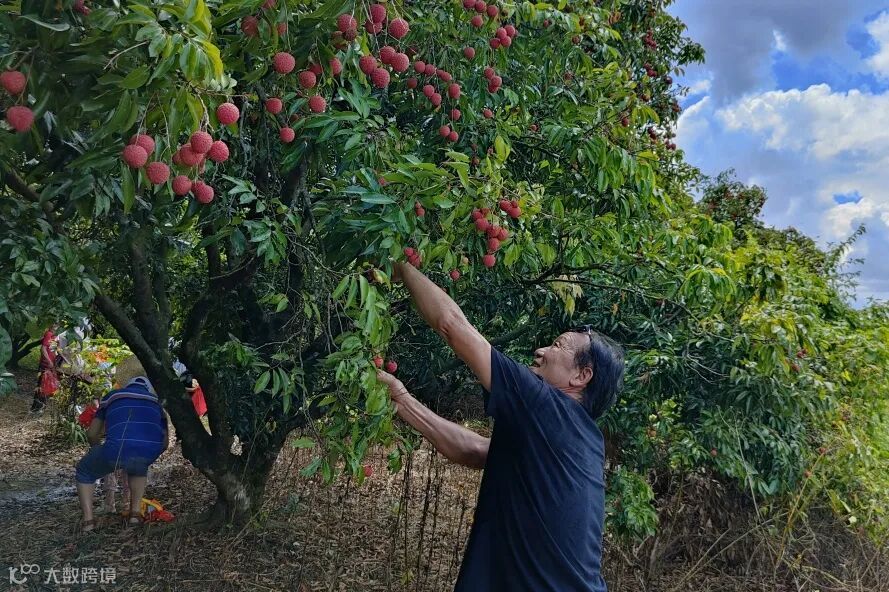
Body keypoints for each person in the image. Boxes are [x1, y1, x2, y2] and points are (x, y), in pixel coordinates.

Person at [375, 262, 625, 591]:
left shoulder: (547, 407)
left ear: (581, 376)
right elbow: (475, 450)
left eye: (558, 345)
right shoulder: (580, 438)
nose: (540, 351)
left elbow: (452, 325)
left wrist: (402, 267)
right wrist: (401, 400)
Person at [75, 356, 169, 531]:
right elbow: (164, 443)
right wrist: (146, 454)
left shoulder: (112, 396)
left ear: (126, 381)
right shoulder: (157, 403)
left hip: (115, 449)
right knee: (138, 466)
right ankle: (135, 515)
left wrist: (98, 450)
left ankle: (88, 522)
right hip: (148, 451)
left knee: (84, 471)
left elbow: (92, 433)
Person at [31, 324, 60, 413]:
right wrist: (49, 361)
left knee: (46, 385)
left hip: (50, 366)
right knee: (41, 385)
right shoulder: (49, 334)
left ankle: (39, 407)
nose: (57, 327)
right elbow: (43, 349)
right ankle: (36, 408)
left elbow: (54, 351)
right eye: (55, 325)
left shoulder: (55, 337)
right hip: (45, 365)